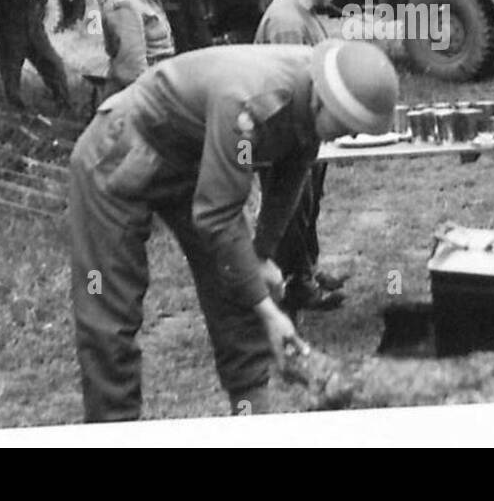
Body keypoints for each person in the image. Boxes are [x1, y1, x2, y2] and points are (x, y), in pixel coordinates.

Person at [67, 39, 399, 420]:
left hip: (193, 159)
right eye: (346, 125)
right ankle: (114, 430)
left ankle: (250, 423)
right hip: (120, 153)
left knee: (235, 291)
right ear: (322, 101)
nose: (350, 137)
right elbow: (216, 217)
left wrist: (261, 256)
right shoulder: (248, 103)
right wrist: (270, 311)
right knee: (109, 312)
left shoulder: (313, 94)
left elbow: (293, 172)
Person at [253, 0, 351, 312]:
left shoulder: (303, 12)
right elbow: (289, 87)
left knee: (307, 206)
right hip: (285, 136)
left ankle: (306, 272)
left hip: (305, 132)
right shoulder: (286, 21)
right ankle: (294, 287)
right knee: (291, 211)